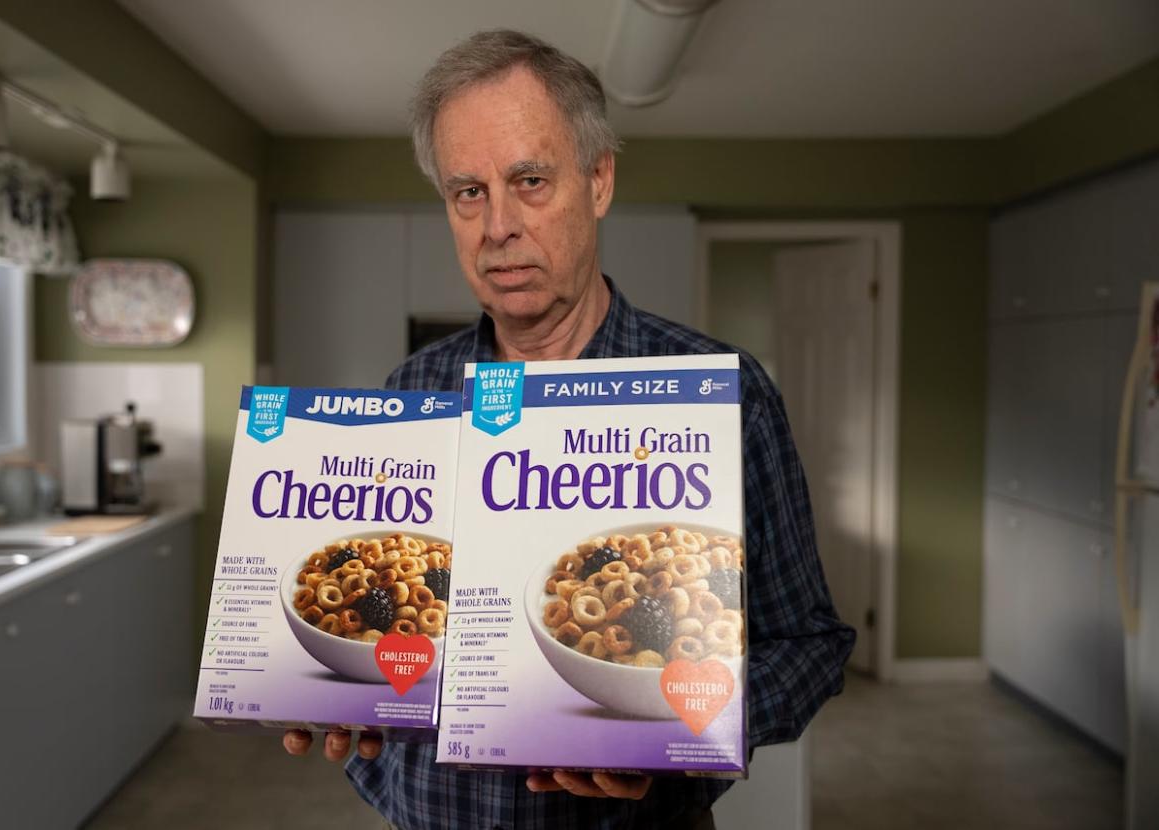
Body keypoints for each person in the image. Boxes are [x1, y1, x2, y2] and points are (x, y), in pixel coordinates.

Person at [283, 29, 855, 829]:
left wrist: (673, 736)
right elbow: (388, 631)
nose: (497, 225)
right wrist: (345, 706)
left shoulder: (721, 397)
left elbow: (811, 645)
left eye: (529, 180)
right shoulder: (413, 392)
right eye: (468, 192)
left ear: (598, 181)